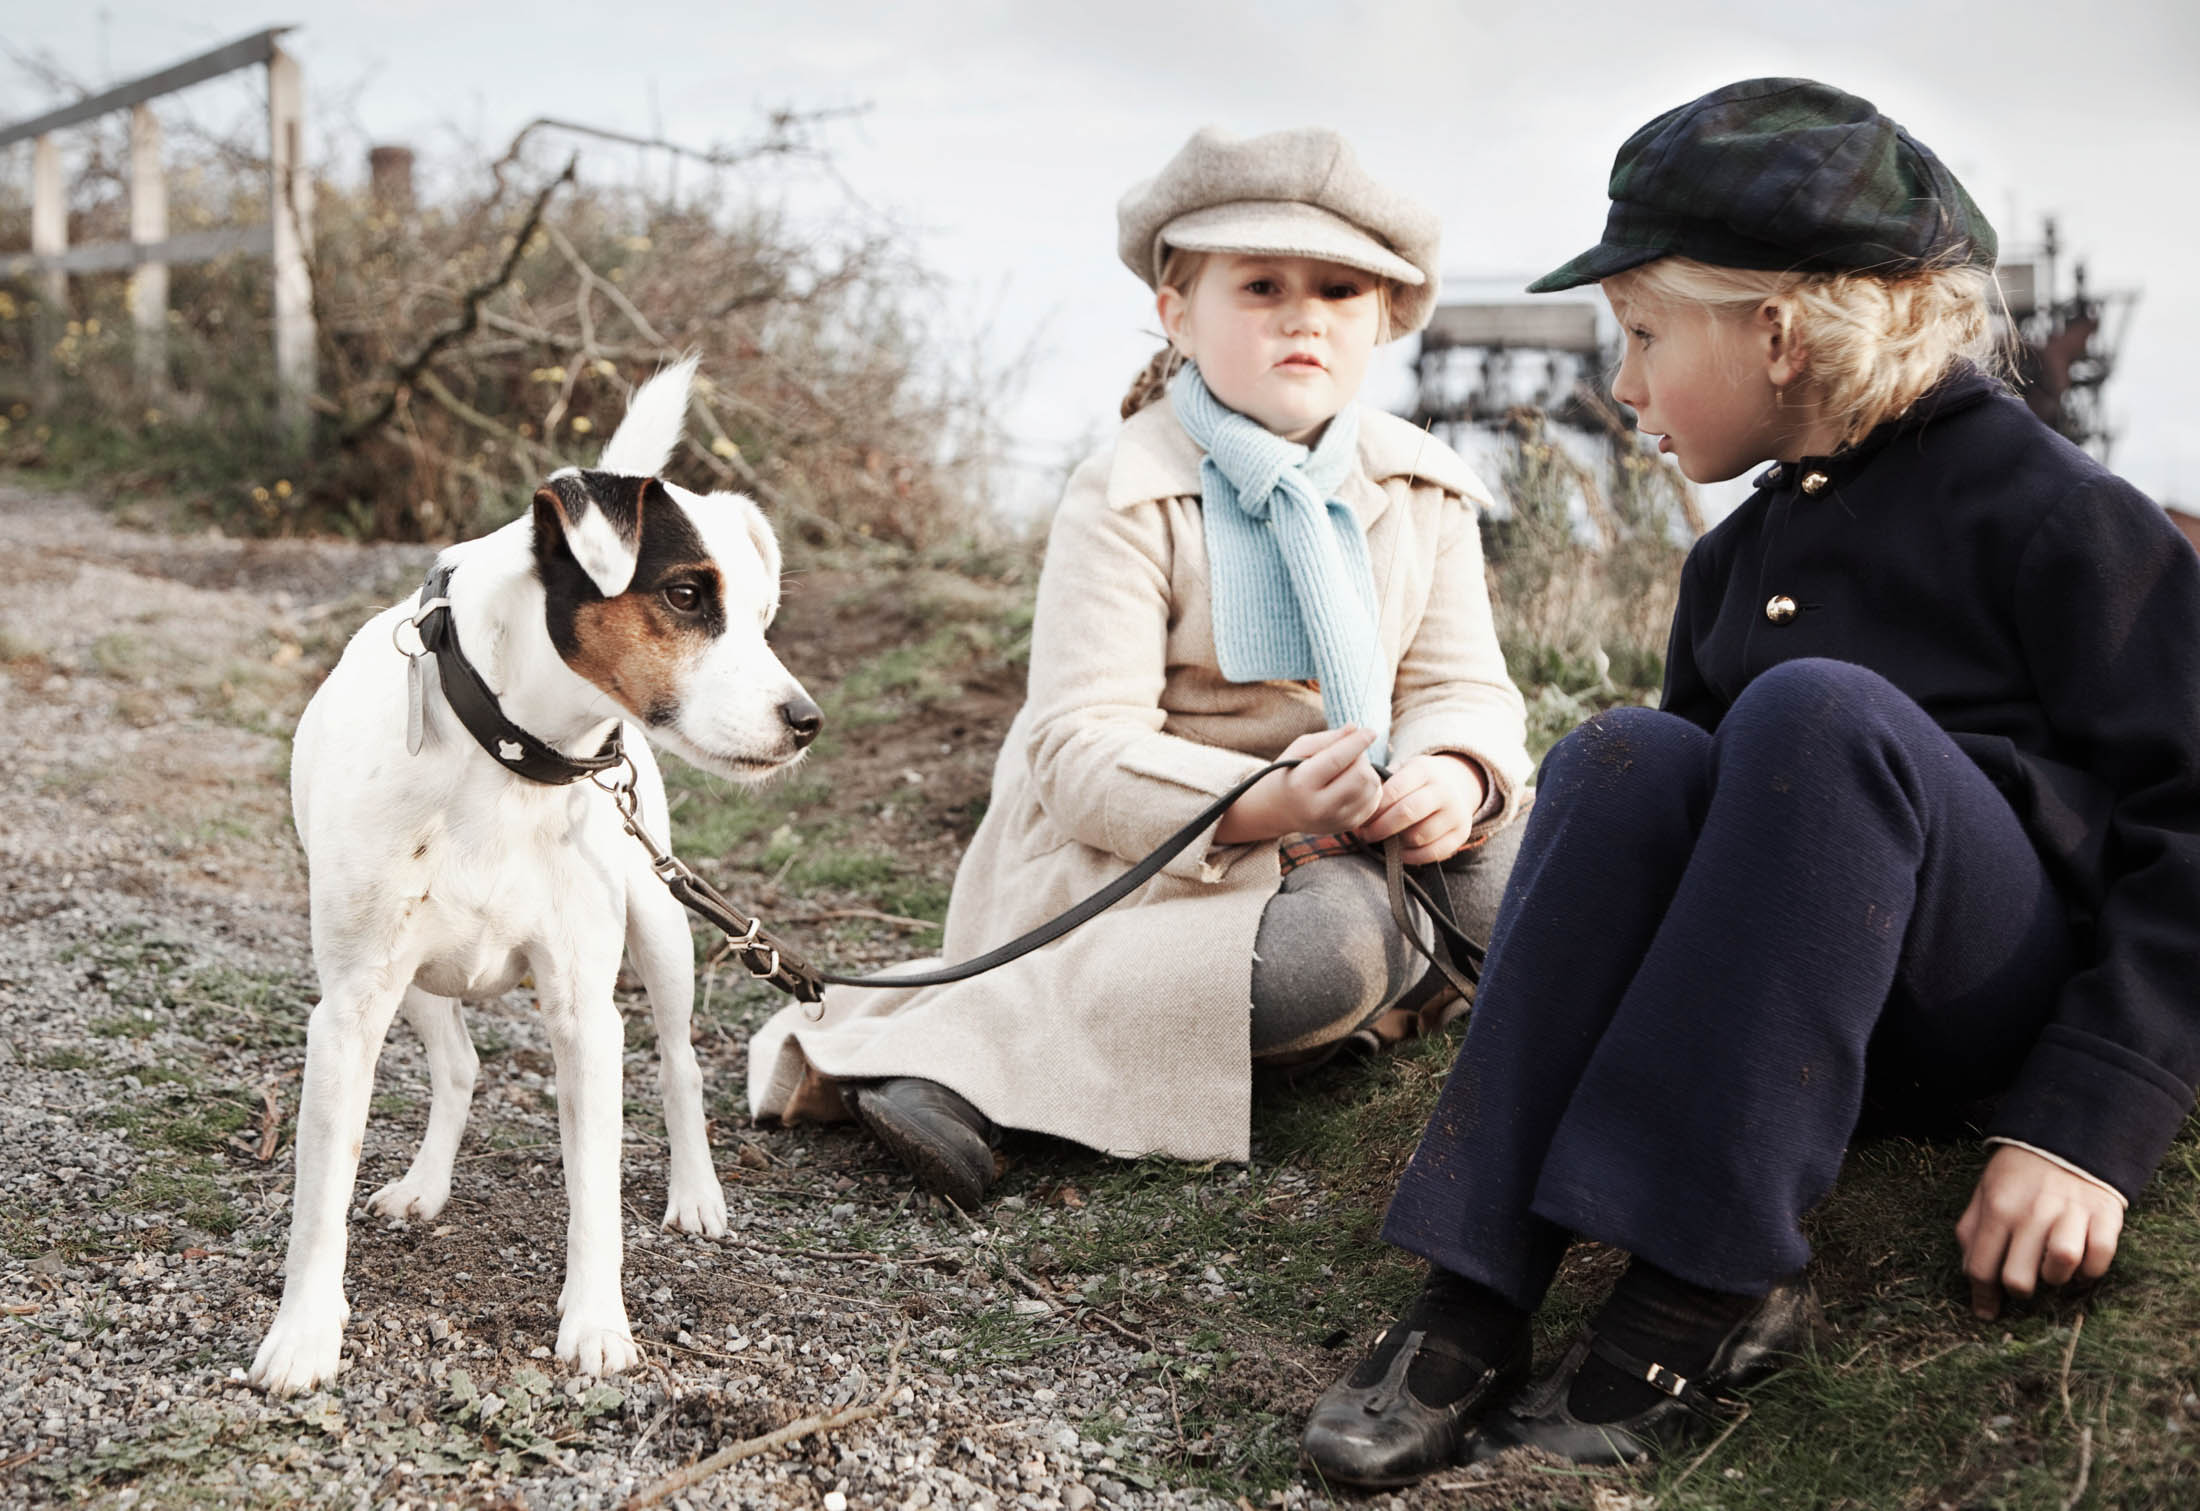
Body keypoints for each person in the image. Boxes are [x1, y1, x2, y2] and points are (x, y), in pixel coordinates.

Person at [1301, 76, 2200, 1487]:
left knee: (1817, 713)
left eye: (1645, 334)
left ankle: (1708, 1287)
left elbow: (2190, 821)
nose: (1626, 385)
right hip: (1794, 1030)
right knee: (1623, 750)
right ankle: (1475, 1282)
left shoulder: (2065, 514)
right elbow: (1673, 859)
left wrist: (2090, 1124)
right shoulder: (1734, 561)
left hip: (1986, 1003)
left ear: (1777, 332)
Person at [747, 125, 1532, 1207]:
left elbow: (1461, 686)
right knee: (1335, 948)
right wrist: (1267, 800)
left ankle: (1316, 1001)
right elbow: (1078, 750)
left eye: (1341, 290)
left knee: (1532, 870)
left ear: (1385, 320)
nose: (1303, 313)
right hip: (1157, 856)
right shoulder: (1126, 489)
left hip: (1364, 824)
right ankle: (963, 1049)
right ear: (1178, 312)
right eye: (1261, 284)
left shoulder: (1420, 487)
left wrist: (1451, 773)